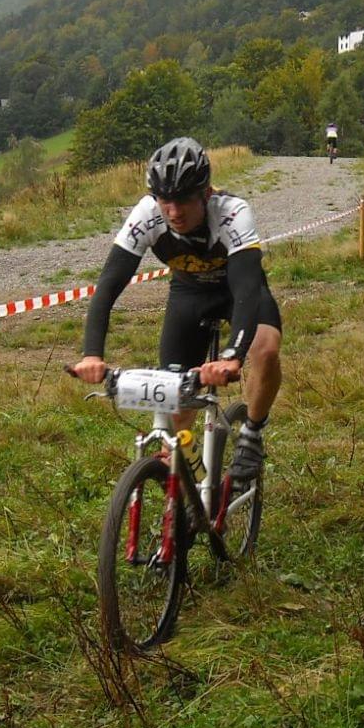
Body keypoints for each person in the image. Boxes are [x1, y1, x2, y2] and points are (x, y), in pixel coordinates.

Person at [71, 137, 282, 496]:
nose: (173, 212)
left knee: (265, 348)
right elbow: (108, 285)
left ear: (206, 194)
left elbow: (247, 289)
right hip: (190, 293)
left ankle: (251, 433)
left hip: (237, 292)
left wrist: (232, 356)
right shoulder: (146, 214)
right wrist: (92, 353)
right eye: (164, 200)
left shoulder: (233, 212)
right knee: (177, 402)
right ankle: (189, 475)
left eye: (183, 200)